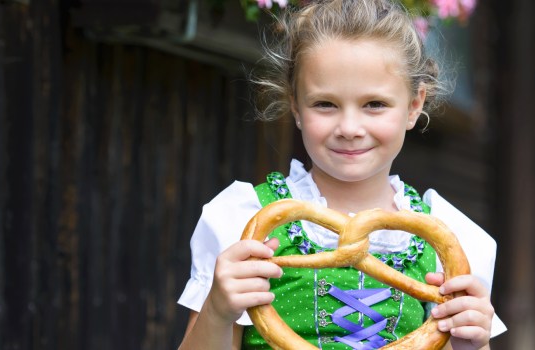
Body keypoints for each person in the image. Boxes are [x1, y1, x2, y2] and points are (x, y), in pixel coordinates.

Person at [177, 0, 506, 349]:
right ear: (295, 105)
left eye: (374, 104)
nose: (349, 128)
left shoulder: (454, 238)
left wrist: (472, 344)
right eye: (325, 104)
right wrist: (217, 311)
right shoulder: (241, 220)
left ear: (414, 105)